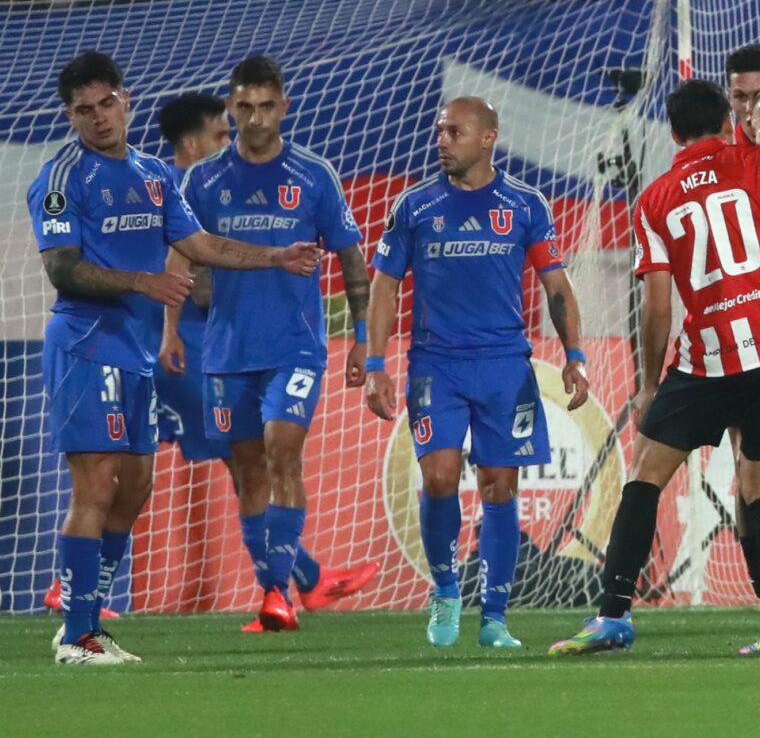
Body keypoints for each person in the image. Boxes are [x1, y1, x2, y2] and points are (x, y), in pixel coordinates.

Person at [549, 79, 760, 657]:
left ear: (673, 132)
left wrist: (650, 384)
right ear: (728, 124)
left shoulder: (654, 199)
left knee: (645, 477)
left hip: (708, 358)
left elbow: (657, 306)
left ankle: (612, 615)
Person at [28, 51, 322, 665]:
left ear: (126, 102)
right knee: (97, 482)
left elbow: (201, 244)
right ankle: (79, 632)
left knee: (136, 486)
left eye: (107, 103)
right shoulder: (61, 179)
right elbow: (62, 269)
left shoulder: (155, 175)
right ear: (70, 116)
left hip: (135, 355)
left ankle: (83, 618)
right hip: (85, 345)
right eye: (84, 110)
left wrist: (276, 256)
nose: (99, 117)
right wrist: (144, 282)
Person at [365, 96, 589, 649]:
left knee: (499, 485)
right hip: (436, 366)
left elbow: (556, 285)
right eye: (440, 130)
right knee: (440, 478)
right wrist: (375, 364)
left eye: (455, 132)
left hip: (504, 367)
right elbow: (384, 286)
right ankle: (446, 591)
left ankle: (494, 617)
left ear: (488, 138)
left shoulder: (525, 204)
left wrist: (575, 356)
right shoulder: (414, 206)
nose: (442, 141)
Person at [155, 93, 378, 629]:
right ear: (193, 143)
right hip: (201, 351)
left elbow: (348, 254)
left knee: (270, 459)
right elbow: (185, 267)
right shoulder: (192, 186)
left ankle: (287, 587)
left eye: (263, 108)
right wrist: (172, 328)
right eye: (221, 129)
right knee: (154, 467)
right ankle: (304, 581)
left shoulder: (303, 175)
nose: (237, 131)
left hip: (266, 347)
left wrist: (363, 337)